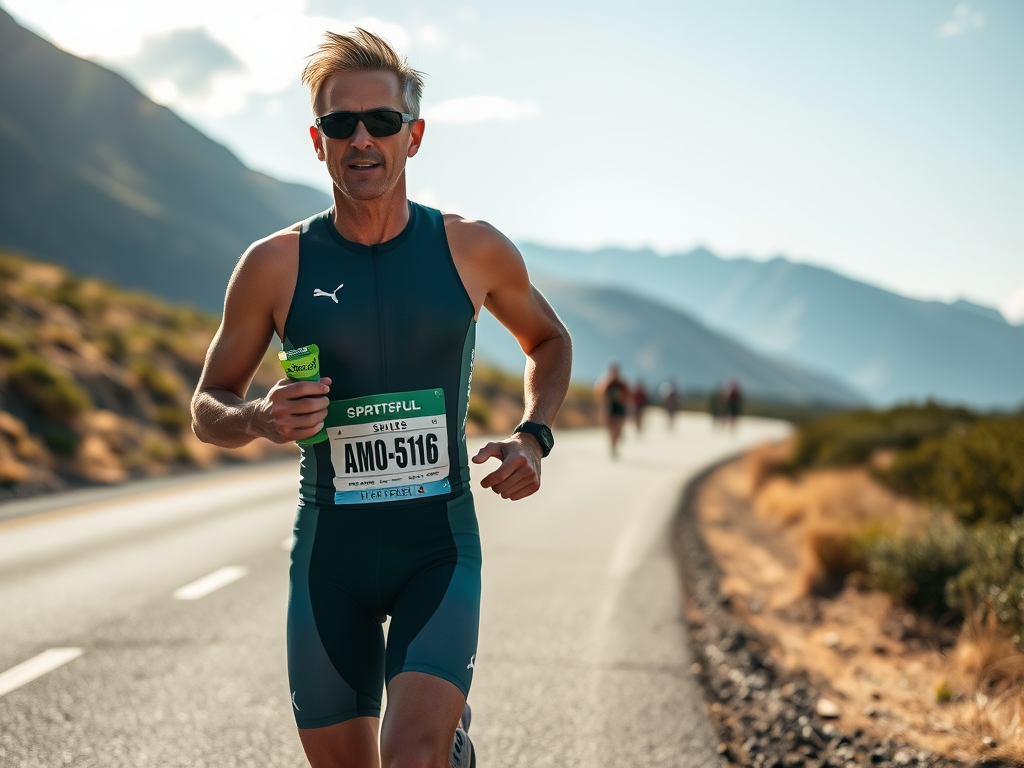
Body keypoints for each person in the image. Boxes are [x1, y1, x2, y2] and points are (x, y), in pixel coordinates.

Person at [190, 28, 571, 768]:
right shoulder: (272, 266)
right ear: (317, 140)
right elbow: (209, 404)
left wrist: (533, 436)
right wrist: (259, 419)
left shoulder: (472, 249)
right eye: (340, 123)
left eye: (382, 122)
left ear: (413, 136)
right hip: (331, 550)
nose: (361, 139)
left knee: (414, 758)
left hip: (438, 545)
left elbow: (549, 342)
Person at [594, 362, 629, 458]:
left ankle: (615, 444)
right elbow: (602, 396)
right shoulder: (607, 383)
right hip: (610, 409)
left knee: (618, 430)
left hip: (620, 409)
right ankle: (613, 447)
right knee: (611, 429)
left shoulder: (622, 384)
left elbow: (627, 397)